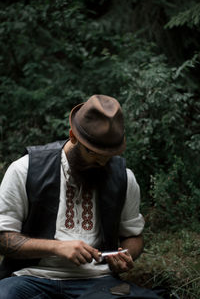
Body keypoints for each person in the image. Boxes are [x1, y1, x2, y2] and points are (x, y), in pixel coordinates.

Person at [0, 95, 161, 298]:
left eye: (108, 156)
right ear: (73, 136)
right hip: (30, 278)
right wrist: (57, 248)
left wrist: (127, 254)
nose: (102, 163)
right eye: (94, 154)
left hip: (98, 282)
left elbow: (132, 235)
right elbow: (3, 239)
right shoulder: (25, 169)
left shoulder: (124, 178)